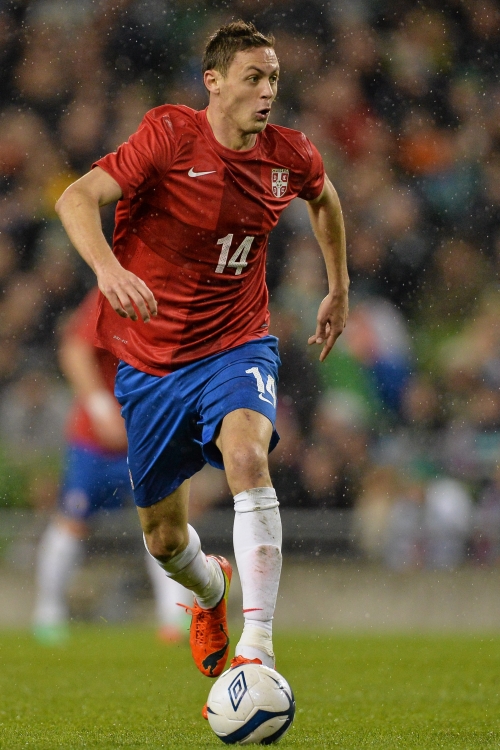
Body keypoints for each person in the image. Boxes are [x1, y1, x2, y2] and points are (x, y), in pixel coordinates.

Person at [54, 19, 348, 708]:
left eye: (274, 79)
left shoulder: (290, 154)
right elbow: (76, 198)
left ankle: (258, 649)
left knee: (247, 456)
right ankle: (211, 587)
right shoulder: (168, 135)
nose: (268, 91)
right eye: (254, 77)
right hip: (152, 363)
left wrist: (338, 287)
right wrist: (107, 269)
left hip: (237, 343)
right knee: (162, 539)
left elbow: (325, 200)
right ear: (213, 82)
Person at [33, 287, 191, 644]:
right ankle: (48, 612)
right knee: (73, 520)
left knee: (164, 520)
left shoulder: (178, 293)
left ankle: (175, 614)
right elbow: (74, 350)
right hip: (96, 441)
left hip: (146, 435)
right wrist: (101, 408)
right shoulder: (119, 288)